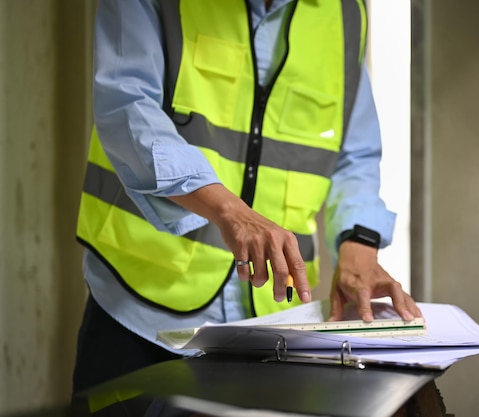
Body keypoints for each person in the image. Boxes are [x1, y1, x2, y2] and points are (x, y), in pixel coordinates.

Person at [72, 0, 422, 395]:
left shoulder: (344, 13)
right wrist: (230, 211)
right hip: (139, 311)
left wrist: (359, 249)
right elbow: (125, 106)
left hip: (275, 326)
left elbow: (354, 156)